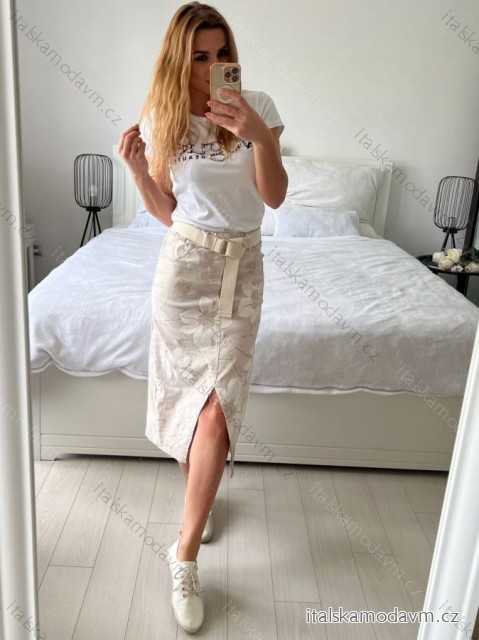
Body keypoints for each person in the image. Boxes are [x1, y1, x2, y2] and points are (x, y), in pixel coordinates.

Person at [118, 2, 286, 633]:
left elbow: (274, 197)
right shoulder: (161, 117)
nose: (214, 66)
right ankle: (201, 497)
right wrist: (137, 169)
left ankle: (183, 554)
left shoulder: (257, 107)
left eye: (222, 54)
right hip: (183, 271)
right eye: (200, 56)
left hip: (244, 273)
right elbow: (168, 211)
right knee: (188, 402)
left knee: (218, 407)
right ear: (179, 59)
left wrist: (260, 134)